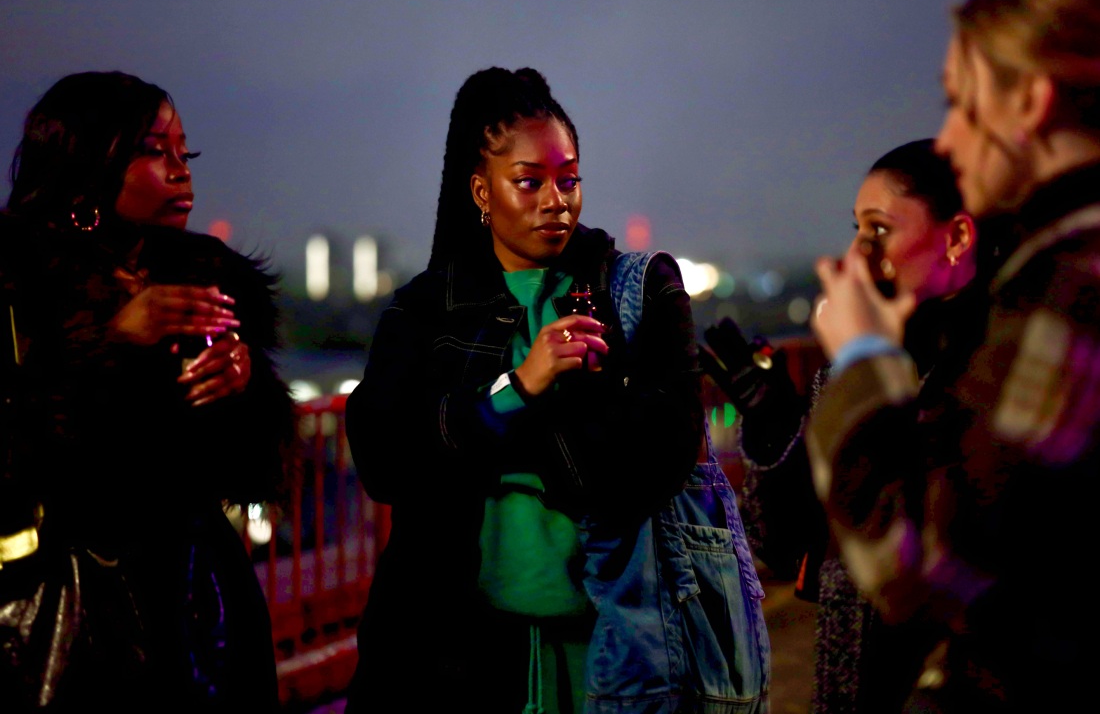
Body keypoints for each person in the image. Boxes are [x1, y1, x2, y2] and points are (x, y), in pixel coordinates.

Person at [344, 66, 769, 713]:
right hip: (457, 653)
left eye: (569, 179)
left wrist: (502, 428)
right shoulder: (427, 309)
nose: (557, 200)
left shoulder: (639, 289)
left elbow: (668, 447)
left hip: (617, 646)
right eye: (529, 181)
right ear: (481, 191)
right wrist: (519, 387)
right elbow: (383, 456)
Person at [805, 0, 1100, 712]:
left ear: (1030, 102)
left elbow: (920, 556)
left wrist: (865, 358)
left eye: (961, 105)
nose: (947, 142)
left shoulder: (1072, 287)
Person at [0, 71, 295, 711]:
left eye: (183, 153)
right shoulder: (19, 282)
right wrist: (108, 344)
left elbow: (252, 470)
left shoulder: (205, 278)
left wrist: (244, 386)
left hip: (198, 597)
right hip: (67, 600)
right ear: (86, 158)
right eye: (153, 151)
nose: (179, 171)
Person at [704, 139, 997, 714]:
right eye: (856, 228)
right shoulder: (854, 363)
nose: (857, 253)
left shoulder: (996, 371)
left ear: (958, 237)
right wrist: (772, 424)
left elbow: (930, 558)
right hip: (850, 680)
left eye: (879, 229)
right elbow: (789, 548)